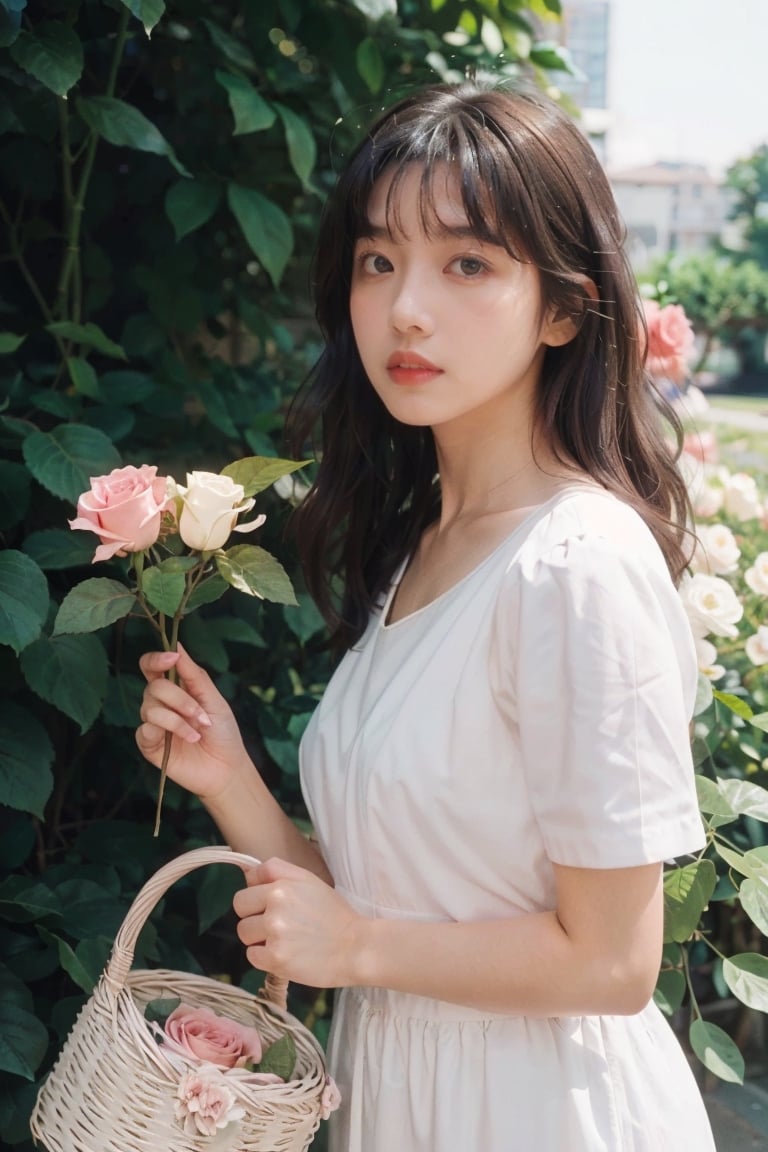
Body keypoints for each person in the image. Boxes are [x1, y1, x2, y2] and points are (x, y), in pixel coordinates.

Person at [136, 80, 716, 1151]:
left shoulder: (576, 564)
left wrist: (356, 948)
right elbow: (369, 915)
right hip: (400, 1099)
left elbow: (613, 962)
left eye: (467, 263)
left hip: (541, 1114)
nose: (406, 306)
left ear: (559, 307)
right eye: (377, 259)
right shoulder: (422, 547)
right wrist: (230, 779)